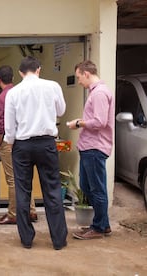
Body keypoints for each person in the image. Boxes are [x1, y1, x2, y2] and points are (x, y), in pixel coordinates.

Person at [4, 56, 67, 250]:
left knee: (23, 191)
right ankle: (57, 239)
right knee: (52, 190)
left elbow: (9, 126)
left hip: (22, 145)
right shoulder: (53, 86)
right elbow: (61, 111)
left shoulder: (13, 92)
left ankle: (27, 239)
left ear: (21, 73)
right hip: (47, 143)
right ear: (38, 69)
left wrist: (11, 143)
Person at [67, 60, 114, 240]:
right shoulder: (95, 92)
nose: (79, 81)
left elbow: (99, 122)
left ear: (87, 73)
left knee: (96, 189)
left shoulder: (100, 93)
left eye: (79, 77)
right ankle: (104, 224)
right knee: (87, 186)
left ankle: (99, 227)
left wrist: (78, 123)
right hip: (89, 146)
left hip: (95, 147)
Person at [0, 65, 38, 225]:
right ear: (13, 77)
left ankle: (13, 213)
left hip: (8, 141)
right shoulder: (21, 92)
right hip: (24, 140)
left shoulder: (2, 97)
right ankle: (31, 211)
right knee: (25, 177)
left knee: (12, 179)